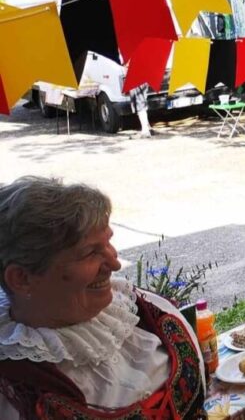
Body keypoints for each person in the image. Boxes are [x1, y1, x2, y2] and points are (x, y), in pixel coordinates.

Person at [0, 177, 206, 419]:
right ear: (21, 278)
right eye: (90, 252)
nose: (115, 263)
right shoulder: (11, 391)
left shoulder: (142, 310)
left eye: (107, 242)